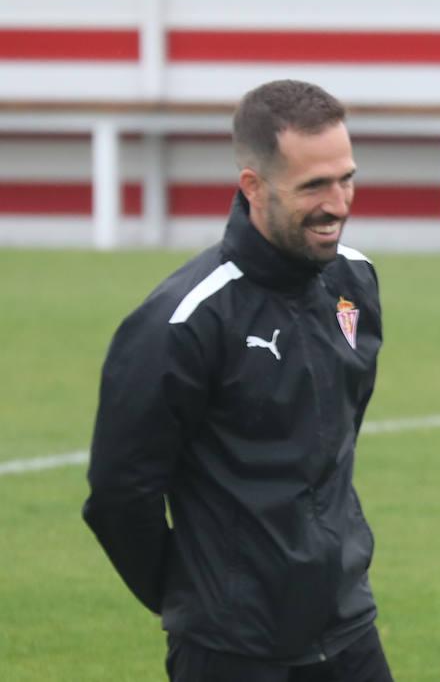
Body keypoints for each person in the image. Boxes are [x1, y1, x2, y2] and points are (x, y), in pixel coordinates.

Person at [83, 80, 393, 681]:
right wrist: (199, 595)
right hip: (231, 651)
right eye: (313, 187)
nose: (338, 203)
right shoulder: (182, 321)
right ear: (253, 186)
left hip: (348, 628)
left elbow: (336, 445)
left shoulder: (356, 283)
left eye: (345, 177)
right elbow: (120, 496)